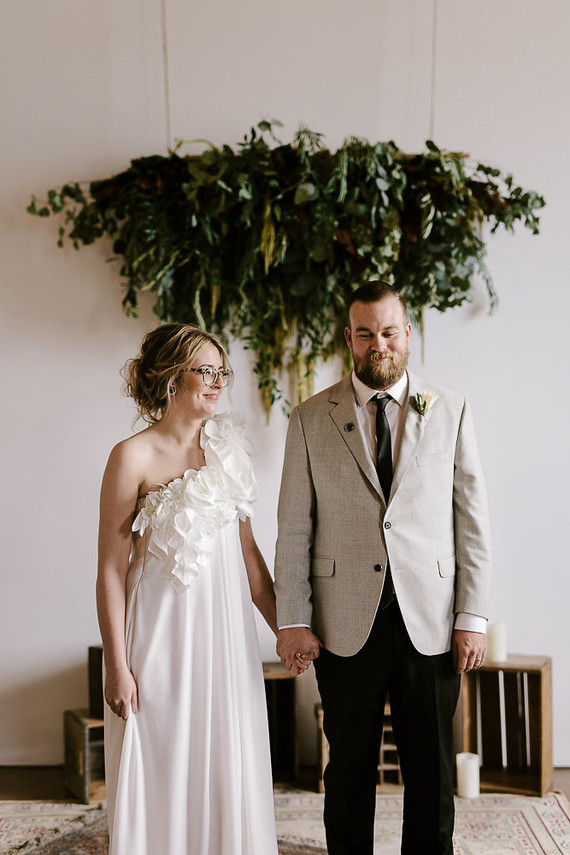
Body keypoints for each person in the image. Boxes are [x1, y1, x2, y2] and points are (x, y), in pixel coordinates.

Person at [274, 281, 491, 855]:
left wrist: (472, 615)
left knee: (432, 770)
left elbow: (472, 521)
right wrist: (291, 619)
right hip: (345, 624)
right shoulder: (308, 418)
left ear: (408, 334)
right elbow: (294, 528)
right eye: (366, 333)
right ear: (349, 337)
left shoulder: (451, 410)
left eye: (389, 332)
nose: (378, 344)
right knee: (346, 769)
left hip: (432, 621)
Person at [96, 323, 292, 855]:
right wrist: (117, 665)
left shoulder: (230, 451)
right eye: (205, 371)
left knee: (227, 765)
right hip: (160, 640)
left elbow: (249, 560)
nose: (218, 382)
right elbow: (111, 570)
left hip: (226, 644)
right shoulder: (130, 457)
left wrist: (287, 632)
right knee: (163, 761)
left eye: (221, 371)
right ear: (168, 378)